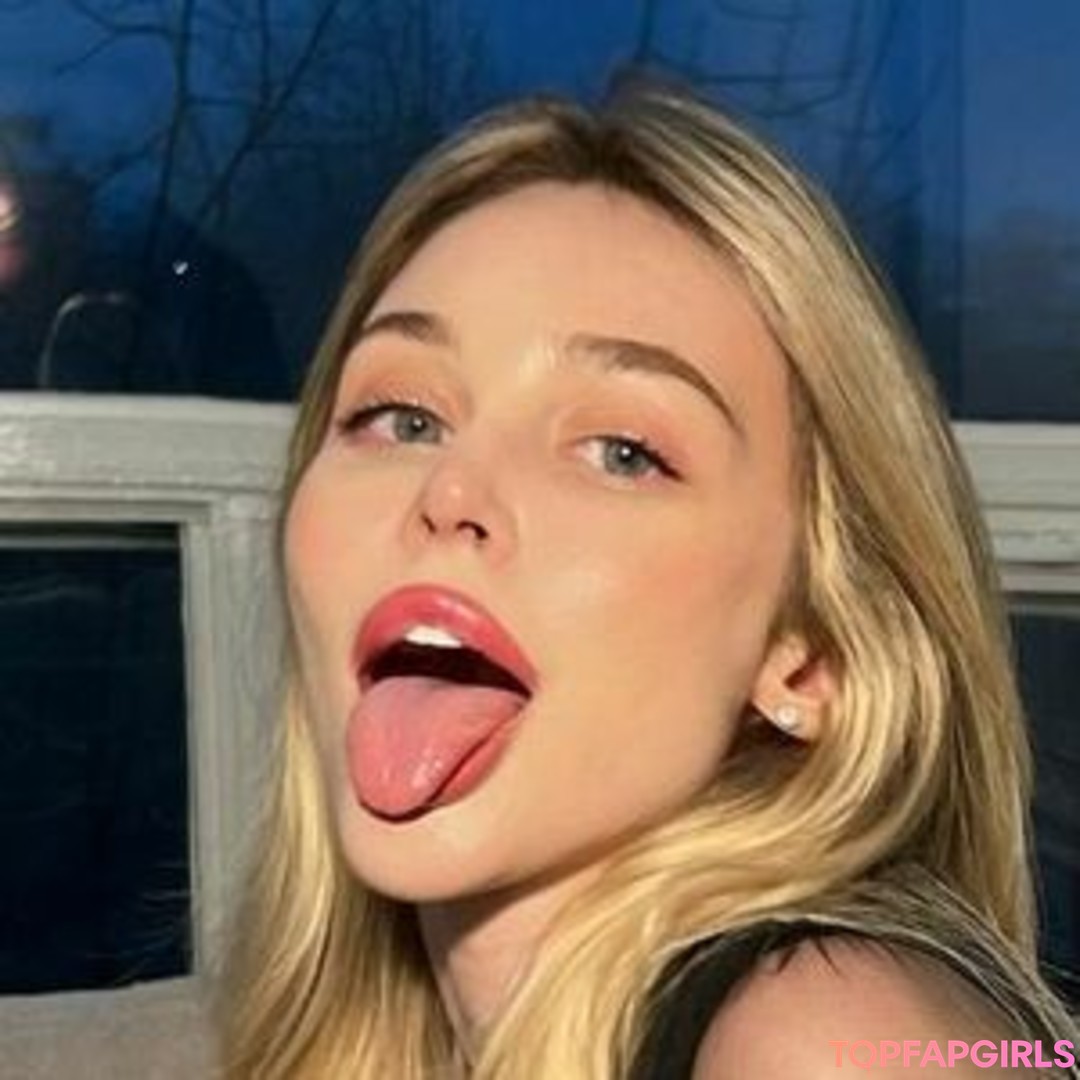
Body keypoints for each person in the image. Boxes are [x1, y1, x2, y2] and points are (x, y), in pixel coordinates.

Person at [220, 79, 1078, 1078]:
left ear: (813, 658)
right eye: (403, 417)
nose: (449, 489)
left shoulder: (827, 1037)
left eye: (623, 452)